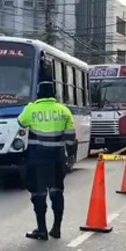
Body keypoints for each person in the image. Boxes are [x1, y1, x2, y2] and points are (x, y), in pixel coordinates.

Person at [16, 81, 75, 241]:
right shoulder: (64, 111)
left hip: (37, 160)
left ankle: (41, 230)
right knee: (57, 193)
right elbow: (70, 137)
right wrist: (71, 157)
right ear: (54, 94)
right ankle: (56, 228)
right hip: (57, 160)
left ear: (38, 94)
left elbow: (20, 123)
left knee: (39, 195)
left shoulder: (31, 109)